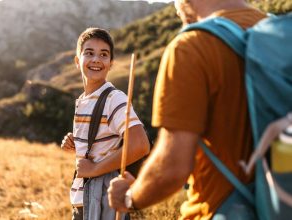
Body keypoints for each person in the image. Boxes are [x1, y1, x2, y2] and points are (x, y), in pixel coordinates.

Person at [107, 0, 266, 219]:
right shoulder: (280, 35)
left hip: (217, 210)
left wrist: (129, 196)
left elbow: (172, 168)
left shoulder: (192, 46)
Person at [60, 27, 150, 220]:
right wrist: (76, 142)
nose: (96, 60)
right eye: (89, 53)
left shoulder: (114, 99)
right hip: (83, 200)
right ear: (77, 61)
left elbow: (140, 145)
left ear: (111, 63)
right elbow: (101, 143)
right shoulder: (84, 100)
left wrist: (93, 169)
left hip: (103, 202)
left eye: (104, 54)